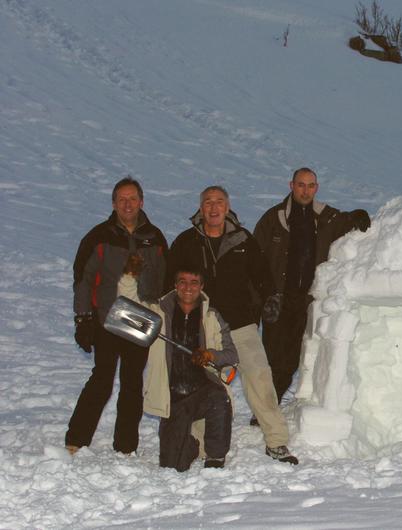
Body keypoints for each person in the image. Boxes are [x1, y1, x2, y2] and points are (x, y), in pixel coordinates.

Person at [167, 186, 297, 464]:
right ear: (200, 208)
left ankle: (276, 441)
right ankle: (201, 446)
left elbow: (262, 274)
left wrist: (271, 297)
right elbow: (170, 283)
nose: (213, 208)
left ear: (227, 207)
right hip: (203, 327)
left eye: (219, 202)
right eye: (208, 203)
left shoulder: (243, 240)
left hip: (241, 324)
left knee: (260, 377)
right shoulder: (186, 242)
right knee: (205, 385)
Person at [66, 176, 167, 455]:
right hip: (106, 320)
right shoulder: (99, 236)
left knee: (133, 382)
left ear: (141, 202)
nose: (127, 204)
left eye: (132, 198)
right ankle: (76, 439)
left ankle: (126, 446)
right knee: (102, 379)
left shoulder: (154, 238)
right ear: (113, 203)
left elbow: (164, 281)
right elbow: (83, 279)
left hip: (140, 322)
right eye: (121, 199)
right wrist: (83, 318)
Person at [253, 167, 371, 403]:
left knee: (291, 357)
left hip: (305, 301)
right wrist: (262, 297)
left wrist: (358, 215)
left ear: (316, 188)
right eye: (300, 185)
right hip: (277, 300)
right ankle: (266, 406)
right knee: (271, 356)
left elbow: (346, 223)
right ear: (291, 185)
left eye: (310, 186)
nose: (305, 191)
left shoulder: (326, 217)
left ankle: (269, 405)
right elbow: (254, 260)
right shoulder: (273, 219)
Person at [119, 257, 237, 471]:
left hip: (202, 390)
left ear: (202, 286)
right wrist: (130, 276)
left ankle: (216, 456)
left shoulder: (211, 316)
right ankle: (188, 444)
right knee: (172, 466)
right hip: (172, 396)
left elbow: (231, 355)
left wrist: (210, 355)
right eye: (182, 281)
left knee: (220, 399)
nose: (188, 287)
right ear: (175, 285)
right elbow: (127, 306)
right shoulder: (157, 312)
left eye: (194, 282)